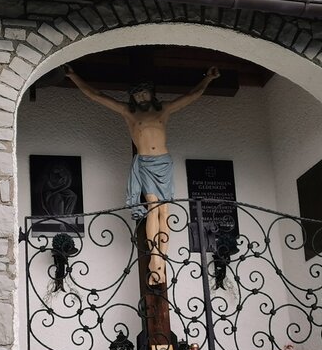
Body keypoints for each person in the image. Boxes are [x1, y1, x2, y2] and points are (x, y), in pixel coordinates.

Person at [65, 65, 220, 285]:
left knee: (165, 212)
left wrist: (208, 79)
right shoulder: (130, 113)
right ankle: (154, 258)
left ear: (152, 92)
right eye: (136, 94)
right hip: (145, 163)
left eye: (144, 92)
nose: (141, 97)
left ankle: (161, 262)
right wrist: (73, 76)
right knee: (153, 207)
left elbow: (190, 97)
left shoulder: (163, 110)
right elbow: (97, 96)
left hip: (163, 163)